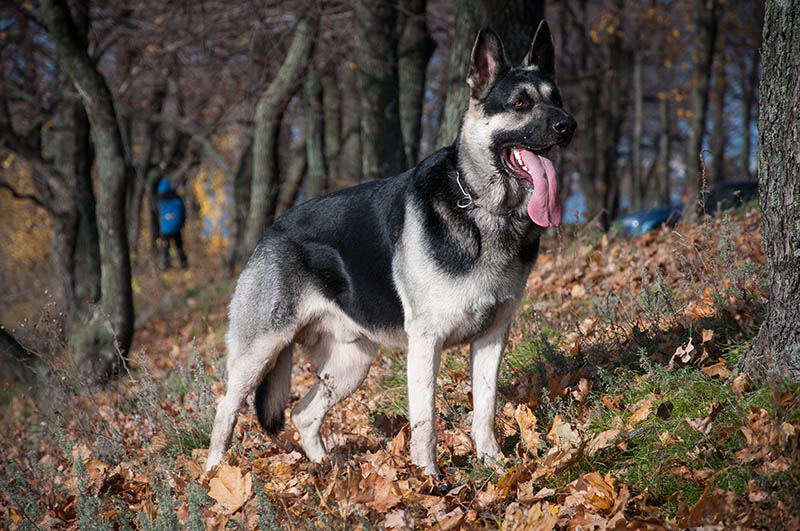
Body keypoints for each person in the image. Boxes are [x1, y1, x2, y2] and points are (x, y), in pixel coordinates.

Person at [157, 178, 188, 269]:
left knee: (165, 246)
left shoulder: (161, 201)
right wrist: (182, 223)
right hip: (176, 226)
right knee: (179, 245)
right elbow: (183, 212)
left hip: (165, 228)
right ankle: (183, 263)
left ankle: (165, 264)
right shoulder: (178, 199)